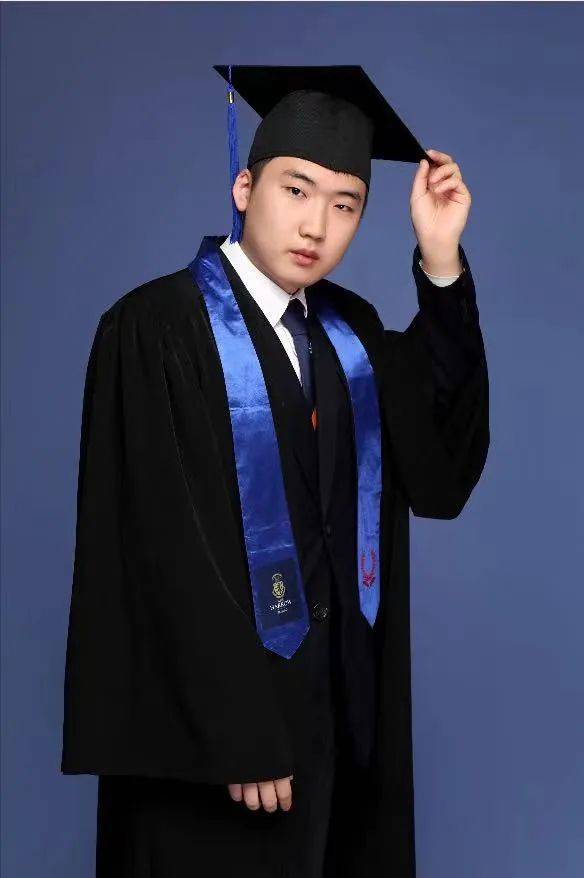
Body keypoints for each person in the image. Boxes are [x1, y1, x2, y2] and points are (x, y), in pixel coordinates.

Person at [60, 64, 489, 877]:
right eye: (296, 189)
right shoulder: (156, 328)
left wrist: (440, 263)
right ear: (244, 186)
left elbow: (440, 473)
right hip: (214, 754)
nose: (316, 225)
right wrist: (237, 732)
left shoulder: (351, 334)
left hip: (340, 734)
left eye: (345, 205)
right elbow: (157, 544)